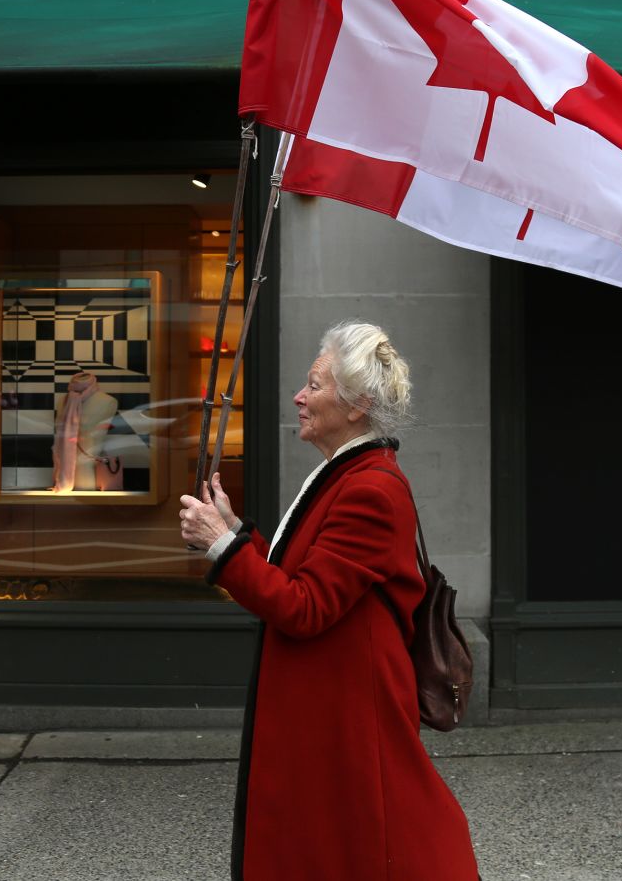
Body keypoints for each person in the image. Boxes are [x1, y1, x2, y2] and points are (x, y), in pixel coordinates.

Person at [180, 321, 481, 881]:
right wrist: (233, 530)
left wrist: (221, 546)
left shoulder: (369, 487)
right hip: (334, 704)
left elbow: (304, 606)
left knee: (365, 843)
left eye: (314, 385)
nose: (299, 396)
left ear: (358, 403)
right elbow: (301, 573)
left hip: (348, 710)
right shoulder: (353, 474)